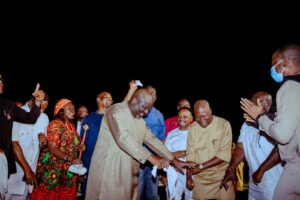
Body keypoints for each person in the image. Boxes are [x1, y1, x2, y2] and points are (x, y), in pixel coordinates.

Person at [85, 88, 193, 200]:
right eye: (144, 107)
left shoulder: (139, 121)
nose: (146, 112)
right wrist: (151, 158)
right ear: (135, 100)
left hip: (129, 173)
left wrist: (173, 160)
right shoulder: (115, 111)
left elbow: (152, 140)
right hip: (109, 172)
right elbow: (123, 138)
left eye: (148, 109)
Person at [241, 44, 300, 199]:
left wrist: (260, 118)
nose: (272, 68)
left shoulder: (289, 87)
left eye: (274, 63)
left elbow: (282, 136)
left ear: (285, 62)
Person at [221, 91, 283, 200]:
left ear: (267, 105)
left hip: (275, 183)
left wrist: (261, 170)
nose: (249, 105)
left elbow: (281, 149)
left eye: (254, 103)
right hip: (254, 184)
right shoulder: (246, 124)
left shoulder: (276, 124)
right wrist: (231, 168)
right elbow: (240, 147)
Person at [30, 99, 85, 199]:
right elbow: (52, 148)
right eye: (69, 108)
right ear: (61, 111)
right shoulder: (55, 124)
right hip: (53, 169)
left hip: (68, 170)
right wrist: (71, 159)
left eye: (73, 108)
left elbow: (68, 145)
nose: (73, 111)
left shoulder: (72, 126)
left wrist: (79, 147)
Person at [0, 74, 44, 199]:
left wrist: (37, 102)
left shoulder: (8, 105)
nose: (1, 82)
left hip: (2, 161)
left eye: (1, 80)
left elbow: (29, 118)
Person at [186, 100, 235, 200]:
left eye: (204, 115)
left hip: (222, 177)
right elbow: (190, 155)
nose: (201, 119)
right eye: (197, 117)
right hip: (201, 179)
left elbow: (223, 154)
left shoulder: (224, 125)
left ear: (210, 111)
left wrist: (200, 166)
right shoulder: (192, 128)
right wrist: (189, 177)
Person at [6, 94, 50, 200]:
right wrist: (27, 170)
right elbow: (13, 144)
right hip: (13, 172)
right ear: (31, 101)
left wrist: (43, 143)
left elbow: (42, 147)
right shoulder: (17, 113)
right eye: (40, 105)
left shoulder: (44, 118)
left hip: (29, 175)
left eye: (44, 107)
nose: (41, 110)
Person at [79, 91, 113, 198]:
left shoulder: (112, 118)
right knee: (89, 193)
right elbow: (82, 144)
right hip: (90, 163)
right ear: (98, 100)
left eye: (111, 99)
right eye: (107, 98)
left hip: (108, 163)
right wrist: (82, 166)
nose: (110, 101)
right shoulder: (89, 119)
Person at [138, 85, 165, 200]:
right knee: (137, 192)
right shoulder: (136, 111)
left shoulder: (159, 115)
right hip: (138, 159)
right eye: (147, 92)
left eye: (152, 92)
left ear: (156, 97)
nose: (150, 94)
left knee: (152, 193)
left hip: (154, 160)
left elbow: (162, 139)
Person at [165, 107, 193, 200]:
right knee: (173, 197)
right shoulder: (171, 134)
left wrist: (184, 153)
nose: (181, 119)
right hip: (175, 172)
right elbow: (165, 154)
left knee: (191, 198)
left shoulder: (196, 133)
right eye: (179, 116)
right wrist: (175, 154)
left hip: (192, 173)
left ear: (191, 118)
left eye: (185, 117)